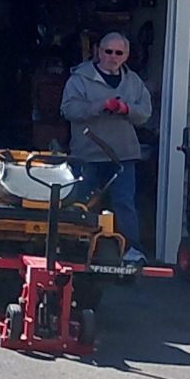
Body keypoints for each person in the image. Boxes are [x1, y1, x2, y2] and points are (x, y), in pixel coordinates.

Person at [60, 29, 154, 261]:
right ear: (98, 52)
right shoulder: (79, 79)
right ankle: (73, 250)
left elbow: (145, 113)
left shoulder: (134, 82)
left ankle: (131, 251)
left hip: (123, 156)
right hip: (87, 155)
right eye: (108, 51)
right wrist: (99, 106)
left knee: (124, 204)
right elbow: (68, 109)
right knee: (81, 204)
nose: (113, 56)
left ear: (126, 55)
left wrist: (125, 109)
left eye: (118, 53)